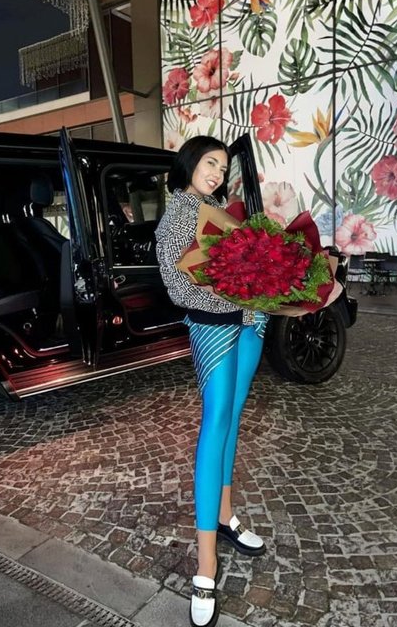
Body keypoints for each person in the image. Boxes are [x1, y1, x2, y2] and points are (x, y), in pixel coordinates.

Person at [155, 136, 269, 627]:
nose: (218, 173)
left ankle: (224, 516)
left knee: (233, 419)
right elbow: (178, 284)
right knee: (215, 422)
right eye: (210, 163)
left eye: (223, 166)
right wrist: (238, 294)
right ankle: (206, 567)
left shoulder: (222, 212)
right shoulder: (179, 214)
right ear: (189, 164)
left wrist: (266, 285)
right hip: (215, 328)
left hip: (251, 323)